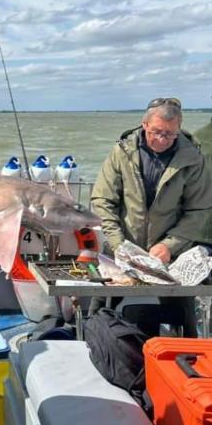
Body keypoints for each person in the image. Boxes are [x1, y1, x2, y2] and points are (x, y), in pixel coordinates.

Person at [90, 97, 212, 336]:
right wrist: (117, 244)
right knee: (100, 306)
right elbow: (102, 201)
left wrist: (170, 244)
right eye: (156, 132)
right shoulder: (121, 151)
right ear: (144, 124)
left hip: (168, 254)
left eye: (170, 134)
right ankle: (94, 343)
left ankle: (188, 361)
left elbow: (199, 210)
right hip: (122, 246)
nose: (162, 140)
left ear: (178, 129)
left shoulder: (193, 158)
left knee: (183, 314)